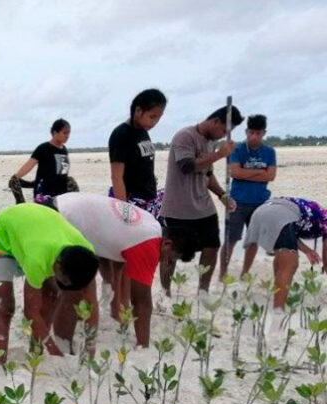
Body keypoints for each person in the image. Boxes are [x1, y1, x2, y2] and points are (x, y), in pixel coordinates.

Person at [0, 203, 99, 361]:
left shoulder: (86, 253)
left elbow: (90, 304)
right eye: (64, 281)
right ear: (57, 265)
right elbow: (30, 312)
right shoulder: (37, 260)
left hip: (36, 230)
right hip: (1, 236)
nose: (66, 287)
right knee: (5, 307)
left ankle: (35, 354)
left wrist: (90, 346)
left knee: (52, 295)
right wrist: (54, 351)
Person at [52, 193, 162, 347]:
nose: (167, 265)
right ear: (169, 245)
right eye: (171, 261)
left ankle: (57, 337)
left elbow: (109, 244)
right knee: (75, 288)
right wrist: (143, 344)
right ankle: (62, 346)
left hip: (64, 202)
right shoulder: (147, 247)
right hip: (66, 218)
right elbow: (141, 301)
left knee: (71, 287)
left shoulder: (151, 223)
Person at [160, 105, 243, 296]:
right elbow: (187, 166)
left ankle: (202, 291)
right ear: (215, 122)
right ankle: (165, 293)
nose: (223, 136)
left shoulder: (210, 144)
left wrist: (222, 195)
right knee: (171, 253)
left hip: (204, 207)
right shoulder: (185, 136)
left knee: (212, 246)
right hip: (178, 208)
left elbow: (207, 174)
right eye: (223, 130)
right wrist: (219, 154)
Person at [241, 197, 327, 310]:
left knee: (283, 256)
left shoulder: (319, 214)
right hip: (280, 214)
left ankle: (278, 295)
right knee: (290, 265)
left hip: (262, 211)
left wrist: (307, 251)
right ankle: (278, 310)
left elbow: (289, 232)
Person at [220, 114, 276, 280]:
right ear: (246, 131)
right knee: (231, 239)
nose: (254, 136)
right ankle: (222, 274)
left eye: (258, 133)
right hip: (237, 201)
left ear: (263, 133)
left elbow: (271, 176)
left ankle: (245, 273)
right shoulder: (237, 149)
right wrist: (260, 171)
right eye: (251, 133)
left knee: (253, 240)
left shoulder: (269, 152)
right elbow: (235, 172)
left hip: (259, 202)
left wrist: (247, 173)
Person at [108, 89, 167, 218]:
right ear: (139, 111)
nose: (154, 123)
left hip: (149, 196)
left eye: (158, 119)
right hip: (133, 201)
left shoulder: (143, 131)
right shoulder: (121, 134)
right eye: (152, 117)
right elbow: (116, 177)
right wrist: (124, 214)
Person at [10, 119, 71, 207]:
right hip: (44, 194)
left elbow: (62, 173)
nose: (67, 136)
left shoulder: (64, 150)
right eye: (65, 133)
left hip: (61, 193)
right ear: (55, 132)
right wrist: (15, 177)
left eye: (68, 133)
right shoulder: (43, 148)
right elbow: (29, 165)